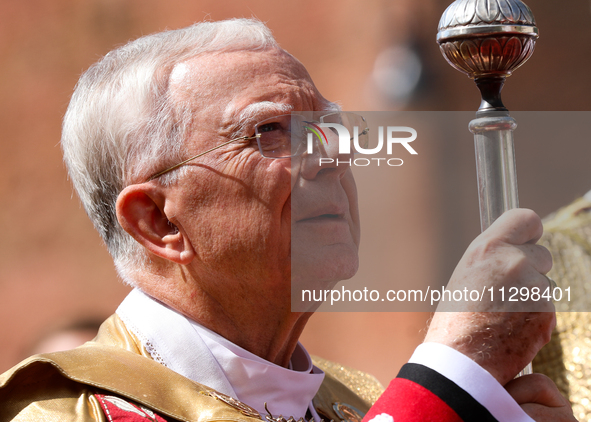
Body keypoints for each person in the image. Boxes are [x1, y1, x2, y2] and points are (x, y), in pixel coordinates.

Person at [0, 19, 574, 421]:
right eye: (269, 132)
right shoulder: (62, 412)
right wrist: (449, 382)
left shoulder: (355, 404)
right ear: (157, 220)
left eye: (331, 126)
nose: (333, 155)